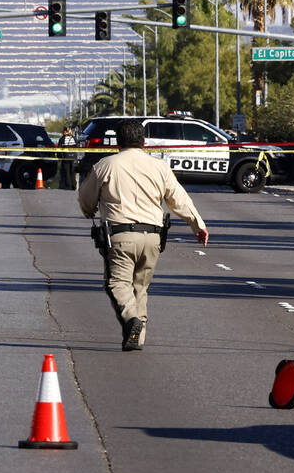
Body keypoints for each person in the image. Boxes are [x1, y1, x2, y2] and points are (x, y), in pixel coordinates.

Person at [77, 119, 208, 351]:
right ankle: (139, 336)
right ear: (143, 141)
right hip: (153, 238)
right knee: (140, 287)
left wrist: (89, 210)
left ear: (117, 142)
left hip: (119, 236)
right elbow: (179, 199)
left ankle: (132, 320)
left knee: (116, 283)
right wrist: (197, 225)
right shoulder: (159, 167)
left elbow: (86, 198)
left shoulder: (105, 165)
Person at [57, 125, 79, 190]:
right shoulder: (74, 138)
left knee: (66, 172)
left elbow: (59, 149)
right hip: (74, 157)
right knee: (73, 172)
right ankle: (74, 185)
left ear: (64, 131)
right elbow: (77, 147)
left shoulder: (62, 139)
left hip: (65, 157)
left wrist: (59, 157)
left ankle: (68, 186)